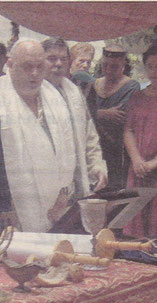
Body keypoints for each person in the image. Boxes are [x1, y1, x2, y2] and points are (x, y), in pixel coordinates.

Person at [0, 40, 77, 233]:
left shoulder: (56, 100)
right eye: (27, 67)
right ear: (10, 65)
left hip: (56, 211)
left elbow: (69, 155)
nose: (35, 73)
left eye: (39, 66)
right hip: (3, 212)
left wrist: (64, 198)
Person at [42, 37, 107, 199]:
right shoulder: (33, 94)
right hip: (46, 186)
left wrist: (97, 166)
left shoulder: (75, 93)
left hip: (78, 183)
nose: (58, 63)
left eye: (63, 59)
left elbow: (89, 136)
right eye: (51, 59)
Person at [123, 43, 157, 237]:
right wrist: (136, 160)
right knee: (136, 215)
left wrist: (156, 161)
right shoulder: (137, 97)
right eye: (150, 66)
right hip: (138, 169)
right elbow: (128, 130)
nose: (154, 72)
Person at [86, 44, 140, 190]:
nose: (109, 70)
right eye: (105, 65)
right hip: (94, 147)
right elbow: (84, 116)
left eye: (114, 66)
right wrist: (103, 113)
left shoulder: (131, 86)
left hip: (117, 150)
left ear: (123, 64)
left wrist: (95, 113)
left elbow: (121, 115)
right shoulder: (93, 85)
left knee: (115, 191)